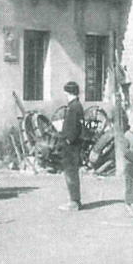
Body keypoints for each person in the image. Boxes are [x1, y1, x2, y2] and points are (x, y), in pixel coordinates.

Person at [59, 81, 84, 212]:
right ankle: (75, 201)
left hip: (71, 147)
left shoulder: (73, 107)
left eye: (66, 93)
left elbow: (74, 128)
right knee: (72, 173)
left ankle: (74, 202)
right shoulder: (76, 106)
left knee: (71, 173)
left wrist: (69, 140)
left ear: (69, 93)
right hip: (74, 145)